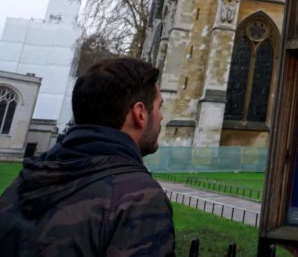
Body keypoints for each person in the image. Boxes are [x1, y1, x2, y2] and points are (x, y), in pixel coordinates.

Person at [0, 57, 174, 256]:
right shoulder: (137, 198)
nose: (161, 117)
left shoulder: (25, 181)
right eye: (159, 106)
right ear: (140, 113)